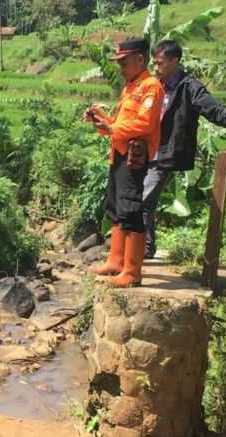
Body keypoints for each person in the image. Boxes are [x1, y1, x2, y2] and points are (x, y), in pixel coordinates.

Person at [144, 39, 226, 258]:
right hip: (145, 149)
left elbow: (212, 107)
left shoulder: (189, 87)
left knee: (144, 199)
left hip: (166, 151)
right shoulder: (153, 84)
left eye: (160, 63)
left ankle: (144, 249)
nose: (156, 67)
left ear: (174, 61)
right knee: (139, 199)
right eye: (154, 63)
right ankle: (143, 247)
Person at [83, 37, 164, 288]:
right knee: (116, 207)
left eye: (124, 62)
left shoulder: (151, 87)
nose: (121, 68)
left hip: (134, 158)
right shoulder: (130, 86)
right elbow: (119, 126)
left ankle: (132, 272)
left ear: (140, 59)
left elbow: (144, 124)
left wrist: (112, 126)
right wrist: (102, 120)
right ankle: (116, 261)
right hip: (119, 154)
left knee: (131, 210)